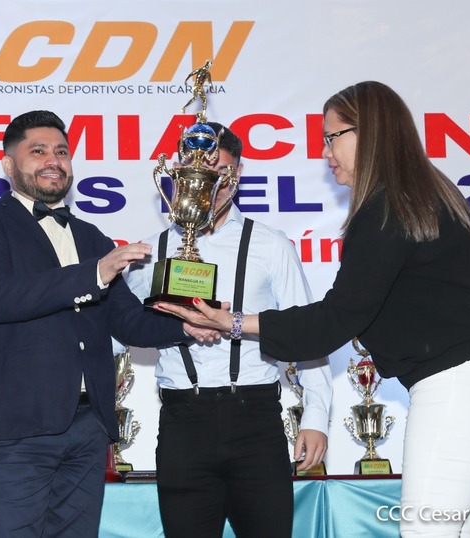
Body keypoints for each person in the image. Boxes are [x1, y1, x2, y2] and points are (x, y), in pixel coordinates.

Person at [156, 81, 470, 537]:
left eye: (332, 138)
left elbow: (335, 319)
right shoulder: (416, 193)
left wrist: (232, 321)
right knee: (455, 529)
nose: (325, 153)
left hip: (459, 380)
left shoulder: (386, 208)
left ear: (369, 133)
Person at [0, 110, 218, 537]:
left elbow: (128, 322)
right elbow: (1, 300)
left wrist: (187, 324)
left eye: (61, 152)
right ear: (8, 164)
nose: (53, 160)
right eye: (38, 151)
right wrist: (95, 273)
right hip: (18, 428)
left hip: (88, 427)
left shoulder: (92, 237)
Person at [123, 122, 332, 538]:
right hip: (182, 422)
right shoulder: (149, 251)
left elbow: (305, 332)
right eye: (198, 170)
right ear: (179, 172)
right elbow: (122, 331)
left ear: (238, 174)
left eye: (221, 172)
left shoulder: (271, 245)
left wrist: (316, 415)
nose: (210, 184)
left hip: (255, 419)